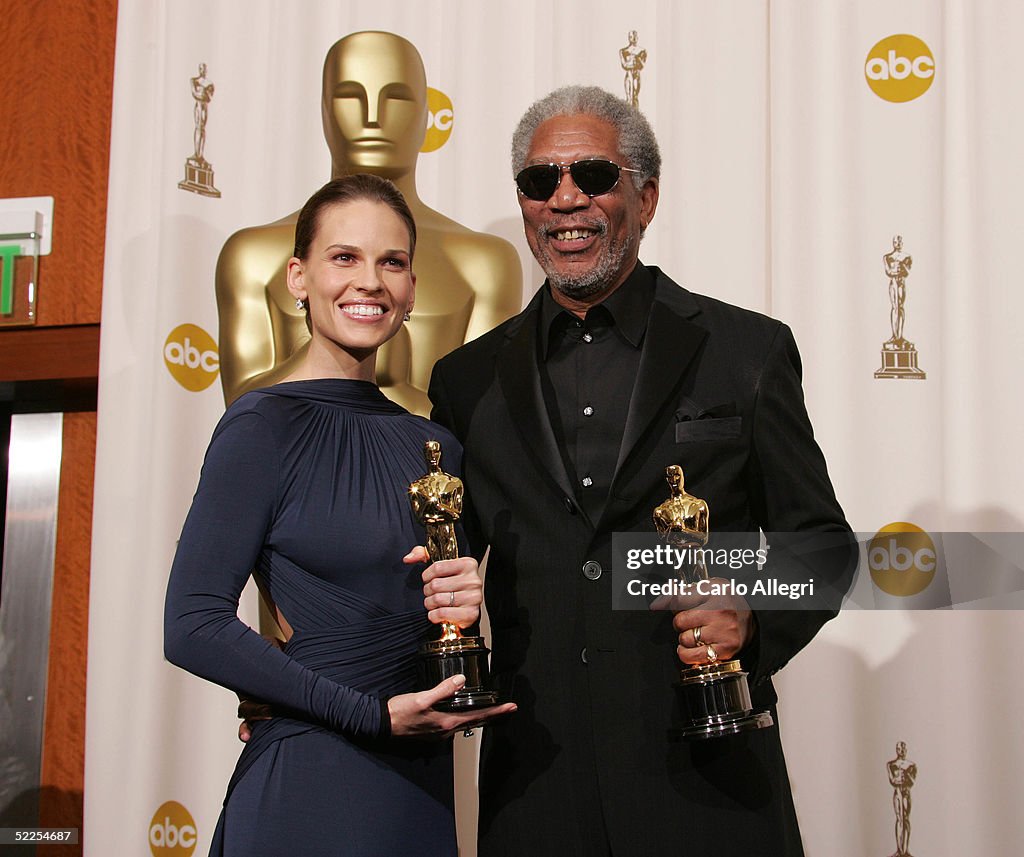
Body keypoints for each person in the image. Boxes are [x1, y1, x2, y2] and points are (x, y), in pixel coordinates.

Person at [428, 86, 856, 856]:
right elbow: (435, 572)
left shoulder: (744, 351)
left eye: (593, 175)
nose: (565, 199)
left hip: (710, 786)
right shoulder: (466, 379)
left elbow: (824, 547)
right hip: (536, 797)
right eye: (539, 181)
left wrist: (750, 615)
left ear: (646, 197)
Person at [164, 174, 514, 857]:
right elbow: (192, 623)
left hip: (418, 785)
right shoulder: (262, 425)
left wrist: (465, 597)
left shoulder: (433, 443)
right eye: (344, 257)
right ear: (298, 276)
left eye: (392, 262)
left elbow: (436, 621)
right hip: (312, 779)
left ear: (413, 288)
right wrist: (370, 715)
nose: (371, 282)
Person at [214, 31, 521, 414]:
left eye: (395, 98)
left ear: (426, 115)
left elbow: (485, 429)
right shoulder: (252, 255)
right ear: (324, 110)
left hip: (426, 470)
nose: (372, 117)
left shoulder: (484, 263)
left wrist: (389, 386)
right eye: (349, 96)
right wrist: (329, 354)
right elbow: (242, 411)